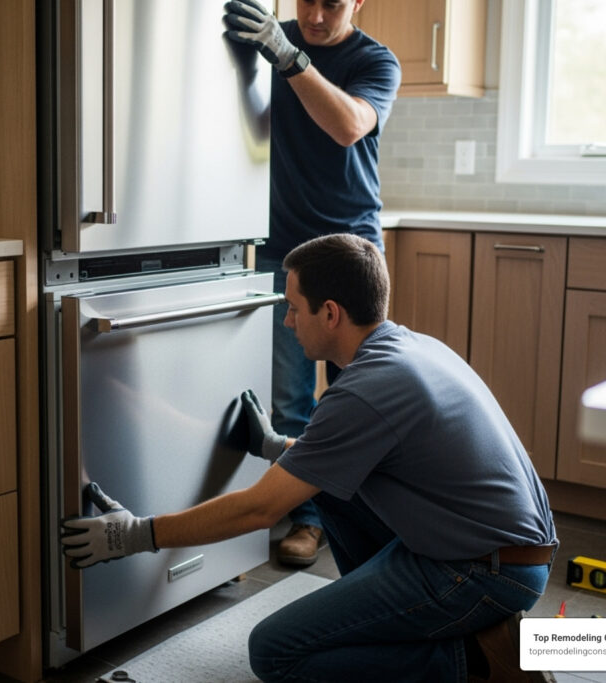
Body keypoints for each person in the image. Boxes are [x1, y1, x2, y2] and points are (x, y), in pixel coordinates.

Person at [61, 233, 558, 682]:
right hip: (495, 551)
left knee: (277, 653)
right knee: (330, 492)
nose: (288, 320)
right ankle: (408, 625)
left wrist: (132, 535)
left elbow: (261, 510)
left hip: (483, 572)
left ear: (331, 313)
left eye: (296, 307)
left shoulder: (366, 389)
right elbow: (350, 455)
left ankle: (475, 661)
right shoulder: (405, 349)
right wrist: (276, 447)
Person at [223, 0, 402, 565]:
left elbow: (349, 126)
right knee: (289, 396)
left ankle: (373, 519)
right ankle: (307, 520)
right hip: (278, 247)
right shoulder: (267, 39)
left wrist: (288, 55)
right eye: (307, 1)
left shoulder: (376, 61)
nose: (318, 14)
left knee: (362, 395)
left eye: (333, 3)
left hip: (351, 250)